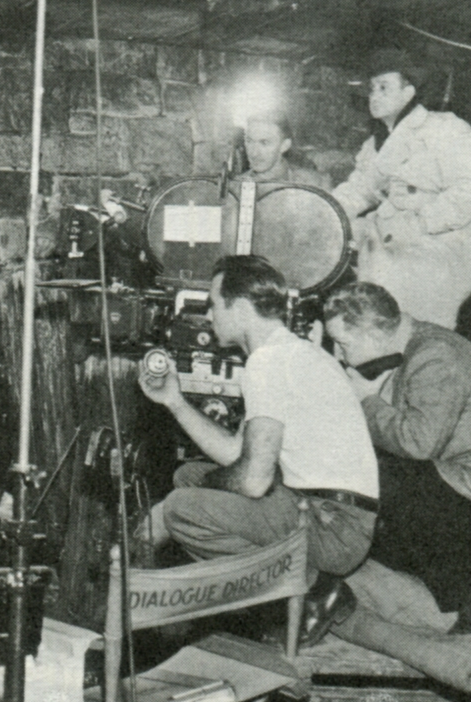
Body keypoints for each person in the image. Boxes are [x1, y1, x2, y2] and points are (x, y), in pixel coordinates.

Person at [137, 255, 378, 644]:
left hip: (333, 526)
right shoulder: (291, 353)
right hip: (331, 513)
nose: (209, 316)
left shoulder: (269, 362)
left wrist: (183, 503)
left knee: (182, 508)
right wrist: (175, 402)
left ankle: (310, 591)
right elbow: (237, 453)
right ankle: (282, 590)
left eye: (214, 304)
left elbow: (252, 481)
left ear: (241, 306)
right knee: (188, 477)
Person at [323, 282, 471, 633]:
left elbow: (418, 444)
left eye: (344, 344)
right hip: (469, 490)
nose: (340, 355)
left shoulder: (435, 354)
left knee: (380, 485)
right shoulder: (413, 346)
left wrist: (367, 400)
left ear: (374, 333)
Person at [332, 49, 471, 330]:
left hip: (435, 252)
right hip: (390, 253)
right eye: (372, 89)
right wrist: (323, 211)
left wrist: (419, 223)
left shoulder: (444, 128)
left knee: (413, 336)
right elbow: (358, 191)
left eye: (384, 87)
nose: (374, 96)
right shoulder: (375, 145)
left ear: (408, 92)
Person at [239, 113, 330, 188]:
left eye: (264, 143)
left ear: (284, 146)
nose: (254, 153)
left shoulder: (313, 184)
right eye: (249, 141)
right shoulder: (235, 186)